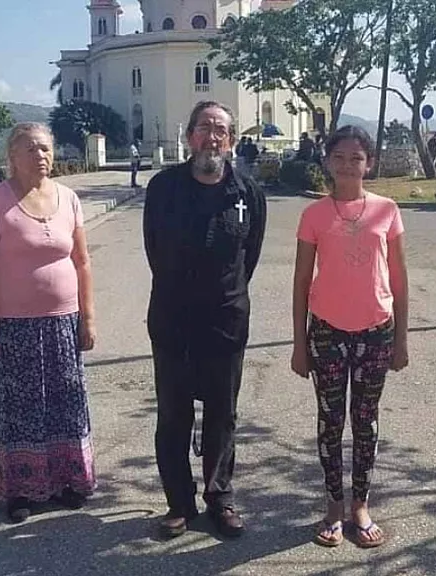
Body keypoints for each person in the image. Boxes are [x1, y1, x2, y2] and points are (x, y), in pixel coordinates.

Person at [143, 100, 267, 539]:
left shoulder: (247, 191)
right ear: (189, 136)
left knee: (222, 413)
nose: (211, 137)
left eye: (220, 130)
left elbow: (248, 255)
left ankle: (220, 497)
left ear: (231, 140)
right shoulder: (162, 188)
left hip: (225, 320)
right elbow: (153, 249)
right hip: (173, 318)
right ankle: (179, 503)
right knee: (173, 415)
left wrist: (224, 291)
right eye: (203, 128)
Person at [0, 122, 98, 524]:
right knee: (21, 408)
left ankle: (68, 481)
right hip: (14, 325)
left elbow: (81, 261)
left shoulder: (69, 198)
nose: (39, 156)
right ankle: (22, 490)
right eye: (29, 149)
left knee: (66, 401)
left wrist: (88, 317)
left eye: (44, 149)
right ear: (12, 157)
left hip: (63, 322)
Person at [290, 125, 409, 549]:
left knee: (365, 421)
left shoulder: (387, 210)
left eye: (356, 157)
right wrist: (299, 344)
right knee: (330, 422)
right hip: (326, 331)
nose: (347, 165)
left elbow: (397, 277)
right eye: (339, 157)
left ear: (369, 163)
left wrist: (401, 339)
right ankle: (333, 508)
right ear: (328, 161)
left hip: (376, 332)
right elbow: (302, 280)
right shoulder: (314, 215)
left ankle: (361, 504)